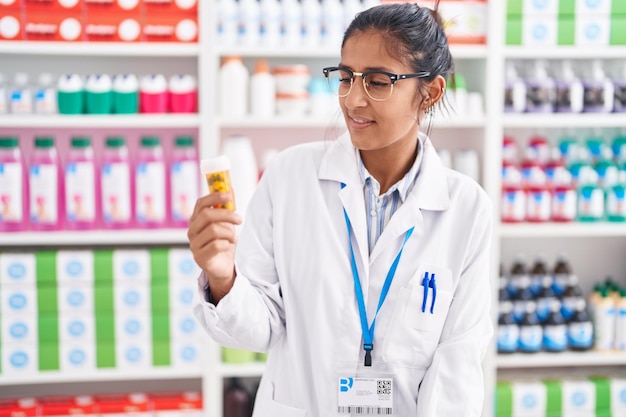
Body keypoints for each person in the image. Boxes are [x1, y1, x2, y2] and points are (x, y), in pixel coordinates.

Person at [190, 2, 493, 416]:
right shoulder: (288, 176)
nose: (353, 99)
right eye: (347, 77)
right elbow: (257, 329)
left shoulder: (467, 209)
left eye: (378, 82)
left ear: (431, 92)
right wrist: (223, 277)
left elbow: (457, 367)